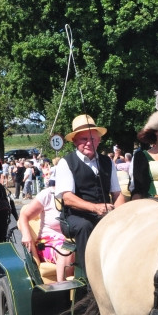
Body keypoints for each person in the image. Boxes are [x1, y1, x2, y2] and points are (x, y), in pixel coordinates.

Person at [54, 114, 124, 274]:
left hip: (104, 213)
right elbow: (68, 198)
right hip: (73, 217)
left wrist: (120, 215)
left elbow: (117, 193)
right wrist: (95, 208)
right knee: (85, 226)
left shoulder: (107, 162)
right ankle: (90, 277)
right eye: (83, 139)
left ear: (98, 140)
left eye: (92, 139)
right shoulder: (66, 163)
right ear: (75, 141)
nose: (88, 143)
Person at [18, 179, 74, 282]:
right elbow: (24, 216)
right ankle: (65, 289)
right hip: (49, 242)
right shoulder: (48, 194)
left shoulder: (81, 195)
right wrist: (26, 235)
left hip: (75, 239)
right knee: (67, 251)